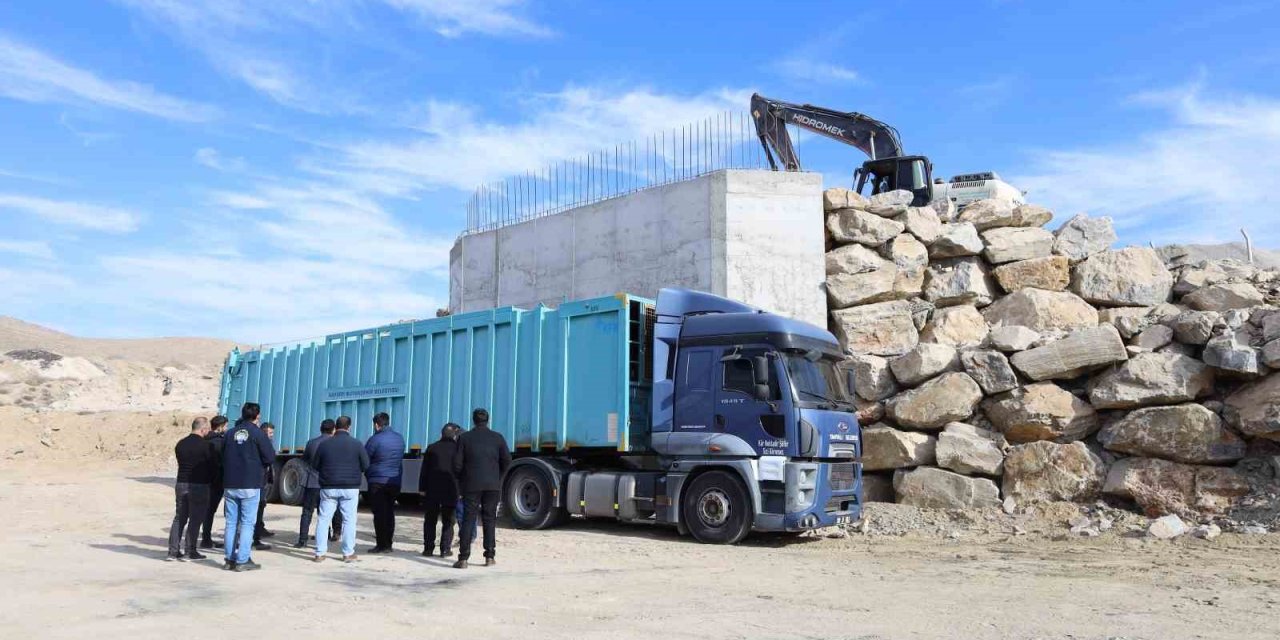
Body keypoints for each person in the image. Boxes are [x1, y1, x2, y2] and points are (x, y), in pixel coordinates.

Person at [452, 408, 510, 569]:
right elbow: (507, 460)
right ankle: (489, 556)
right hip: (492, 485)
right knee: (490, 519)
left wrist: (462, 479)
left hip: (471, 484)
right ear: (488, 420)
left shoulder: (464, 438)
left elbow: (457, 464)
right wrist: (498, 476)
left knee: (469, 519)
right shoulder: (497, 438)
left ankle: (463, 558)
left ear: (473, 420)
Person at [221, 402, 275, 572]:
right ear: (257, 415)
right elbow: (269, 457)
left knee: (230, 523)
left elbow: (222, 455)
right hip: (250, 483)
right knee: (247, 523)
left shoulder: (229, 433)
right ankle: (243, 559)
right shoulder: (258, 434)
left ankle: (229, 559)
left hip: (230, 483)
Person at [313, 415, 369, 563]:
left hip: (329, 487)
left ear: (335, 427)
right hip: (350, 488)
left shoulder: (324, 444)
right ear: (349, 427)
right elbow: (366, 465)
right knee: (349, 520)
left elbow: (315, 465)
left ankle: (320, 553)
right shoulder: (357, 444)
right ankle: (348, 553)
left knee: (323, 520)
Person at [167, 417, 216, 561]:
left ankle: (173, 552)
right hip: (199, 484)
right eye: (207, 429)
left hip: (181, 483)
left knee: (179, 518)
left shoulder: (180, 444)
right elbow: (212, 467)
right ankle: (190, 551)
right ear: (203, 429)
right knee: (195, 518)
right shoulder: (207, 446)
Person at [296, 419, 344, 548]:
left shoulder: (311, 443)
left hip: (312, 481)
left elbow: (305, 459)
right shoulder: (335, 444)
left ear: (320, 429)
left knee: (307, 511)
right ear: (333, 430)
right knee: (330, 510)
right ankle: (334, 533)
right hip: (329, 482)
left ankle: (302, 539)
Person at [364, 411, 405, 554]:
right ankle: (389, 543)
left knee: (379, 514)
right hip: (394, 481)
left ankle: (382, 545)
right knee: (390, 512)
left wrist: (368, 475)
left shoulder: (374, 440)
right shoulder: (399, 438)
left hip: (377, 481)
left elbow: (365, 460)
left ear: (376, 425)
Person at [419, 423, 461, 557]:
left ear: (441, 434)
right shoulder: (458, 449)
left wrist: (422, 488)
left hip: (432, 490)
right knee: (448, 520)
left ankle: (428, 549)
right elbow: (461, 471)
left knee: (430, 520)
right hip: (451, 489)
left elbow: (424, 470)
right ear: (454, 435)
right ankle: (445, 549)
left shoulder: (432, 448)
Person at [199, 415, 228, 549]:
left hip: (203, 480)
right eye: (226, 426)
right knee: (209, 511)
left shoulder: (204, 440)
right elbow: (221, 463)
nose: (227, 429)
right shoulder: (219, 443)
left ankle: (205, 538)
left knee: (205, 511)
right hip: (216, 482)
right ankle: (206, 539)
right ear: (221, 427)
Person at [252, 422, 277, 550]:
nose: (271, 436)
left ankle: (259, 528)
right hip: (259, 481)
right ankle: (256, 536)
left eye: (272, 433)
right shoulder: (260, 443)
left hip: (264, 480)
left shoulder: (266, 443)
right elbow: (268, 459)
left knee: (261, 505)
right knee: (258, 506)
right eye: (269, 433)